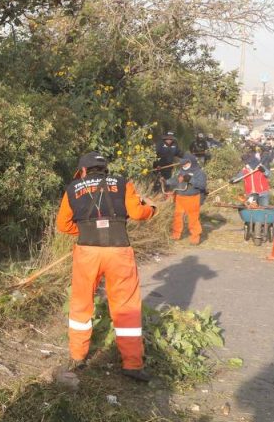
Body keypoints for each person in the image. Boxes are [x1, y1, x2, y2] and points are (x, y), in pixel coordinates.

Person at [56, 151, 158, 382]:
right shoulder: (123, 183)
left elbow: (63, 225)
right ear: (105, 170)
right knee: (126, 305)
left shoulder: (73, 188)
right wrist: (151, 209)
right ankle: (132, 365)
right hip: (119, 250)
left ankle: (77, 357)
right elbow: (137, 212)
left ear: (82, 170)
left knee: (81, 303)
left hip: (87, 251)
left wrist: (84, 231)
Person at [167, 153, 207, 245]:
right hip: (180, 197)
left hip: (192, 198)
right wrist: (167, 181)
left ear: (191, 162)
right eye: (182, 163)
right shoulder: (181, 171)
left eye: (185, 163)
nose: (183, 165)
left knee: (193, 218)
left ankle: (195, 238)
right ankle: (176, 235)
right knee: (177, 217)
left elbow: (202, 185)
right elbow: (176, 180)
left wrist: (190, 179)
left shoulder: (199, 172)